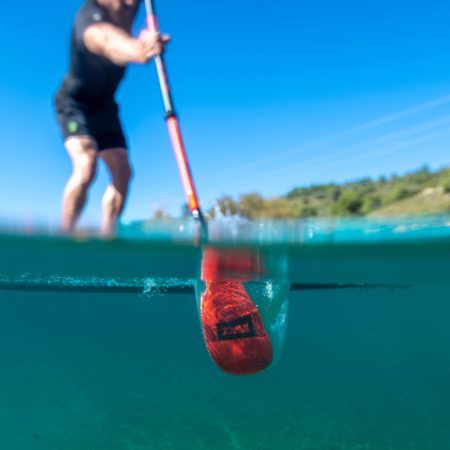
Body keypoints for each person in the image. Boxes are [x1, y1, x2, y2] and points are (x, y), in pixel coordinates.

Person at [54, 0, 169, 234]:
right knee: (87, 164)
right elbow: (103, 39)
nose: (131, 5)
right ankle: (64, 239)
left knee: (123, 173)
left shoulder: (134, 9)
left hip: (105, 107)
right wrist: (138, 48)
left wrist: (138, 43)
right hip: (75, 102)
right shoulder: (91, 13)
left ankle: (108, 240)